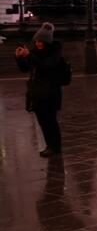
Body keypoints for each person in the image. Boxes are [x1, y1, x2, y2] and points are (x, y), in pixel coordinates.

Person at [15, 22, 68, 157]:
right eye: (37, 41)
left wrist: (29, 55)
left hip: (51, 92)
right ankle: (49, 145)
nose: (38, 44)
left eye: (41, 41)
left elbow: (47, 66)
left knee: (51, 120)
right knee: (42, 121)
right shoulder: (34, 52)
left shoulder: (55, 52)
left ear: (48, 41)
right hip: (37, 92)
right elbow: (25, 69)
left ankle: (55, 147)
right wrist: (19, 58)